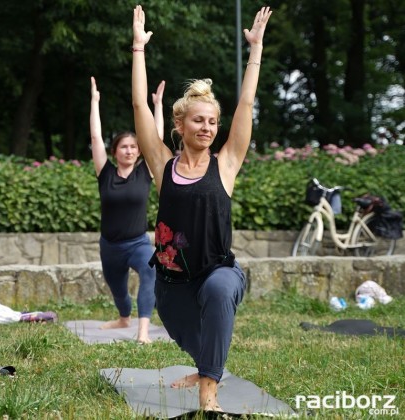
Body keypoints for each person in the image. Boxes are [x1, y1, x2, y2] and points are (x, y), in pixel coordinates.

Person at [131, 4, 272, 412]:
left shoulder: (225, 164)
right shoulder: (163, 165)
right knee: (194, 339)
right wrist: (138, 49)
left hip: (218, 269)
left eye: (212, 121)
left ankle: (207, 394)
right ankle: (209, 367)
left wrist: (255, 51)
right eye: (198, 121)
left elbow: (245, 105)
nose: (207, 128)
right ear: (180, 125)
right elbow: (141, 107)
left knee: (219, 290)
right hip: (172, 283)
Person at [89, 76, 164, 344]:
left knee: (150, 270)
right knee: (119, 291)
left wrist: (157, 107)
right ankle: (123, 318)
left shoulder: (145, 172)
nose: (130, 150)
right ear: (115, 151)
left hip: (137, 243)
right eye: (124, 146)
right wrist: (95, 102)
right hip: (110, 246)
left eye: (134, 147)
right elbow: (95, 137)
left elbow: (156, 139)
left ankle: (143, 332)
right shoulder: (105, 172)